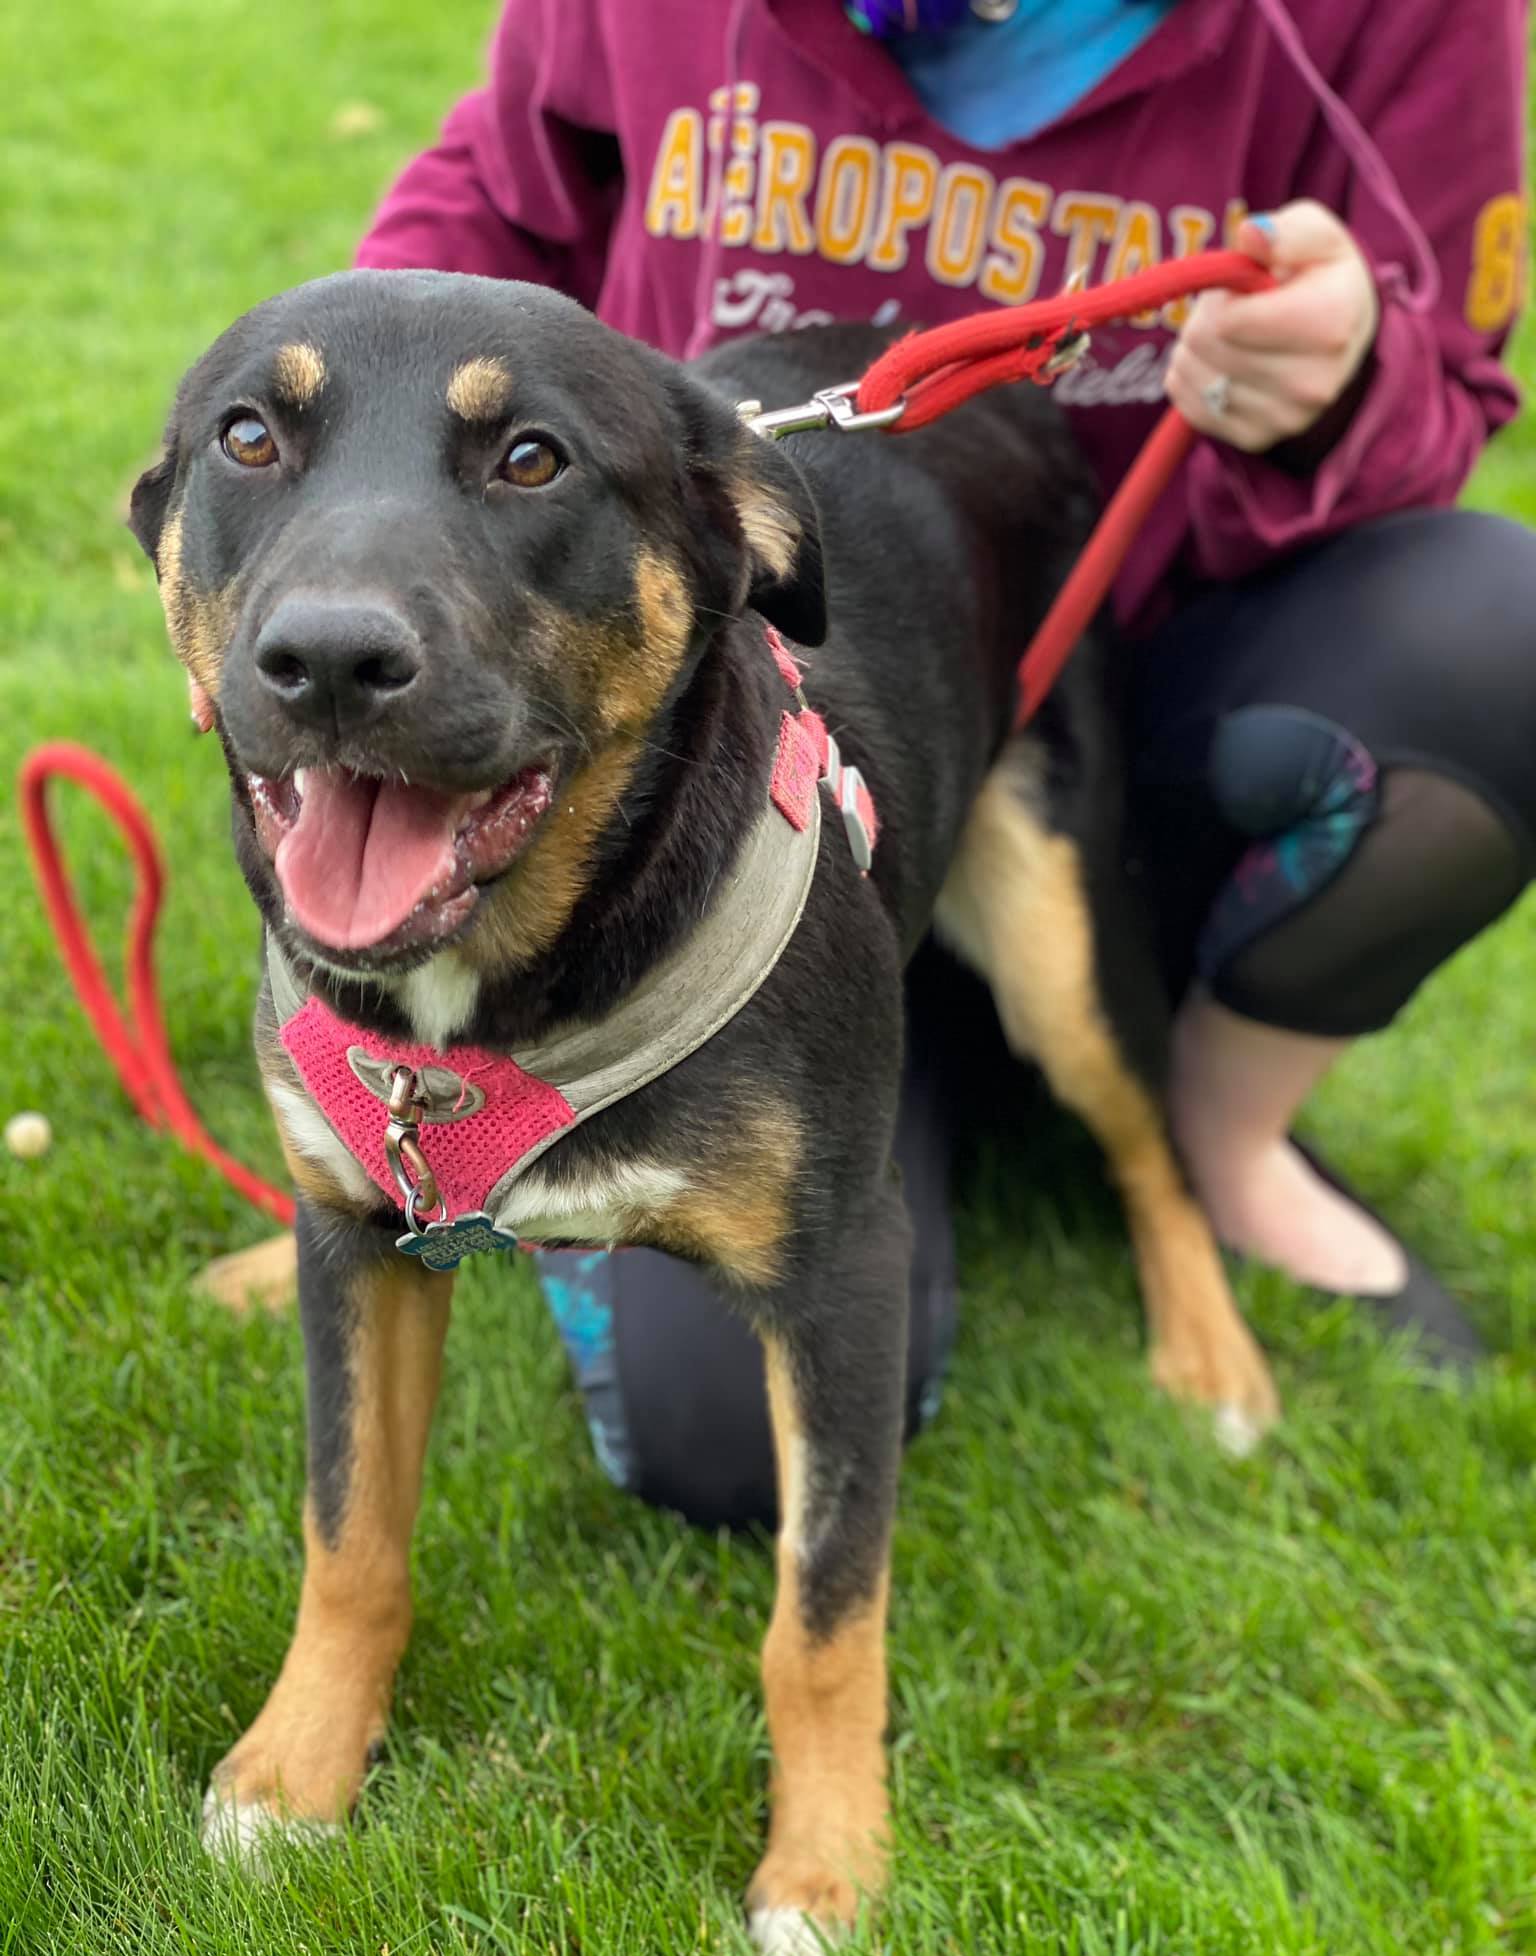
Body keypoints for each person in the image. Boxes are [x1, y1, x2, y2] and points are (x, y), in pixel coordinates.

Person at [356, 0, 1534, 1524]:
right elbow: (501, 197)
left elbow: (1452, 383)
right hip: (738, 776)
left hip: (1103, 709)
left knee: (1495, 631)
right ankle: (482, 1145)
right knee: (725, 1445)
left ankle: (1197, 1151)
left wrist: (1351, 381)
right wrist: (339, 481)